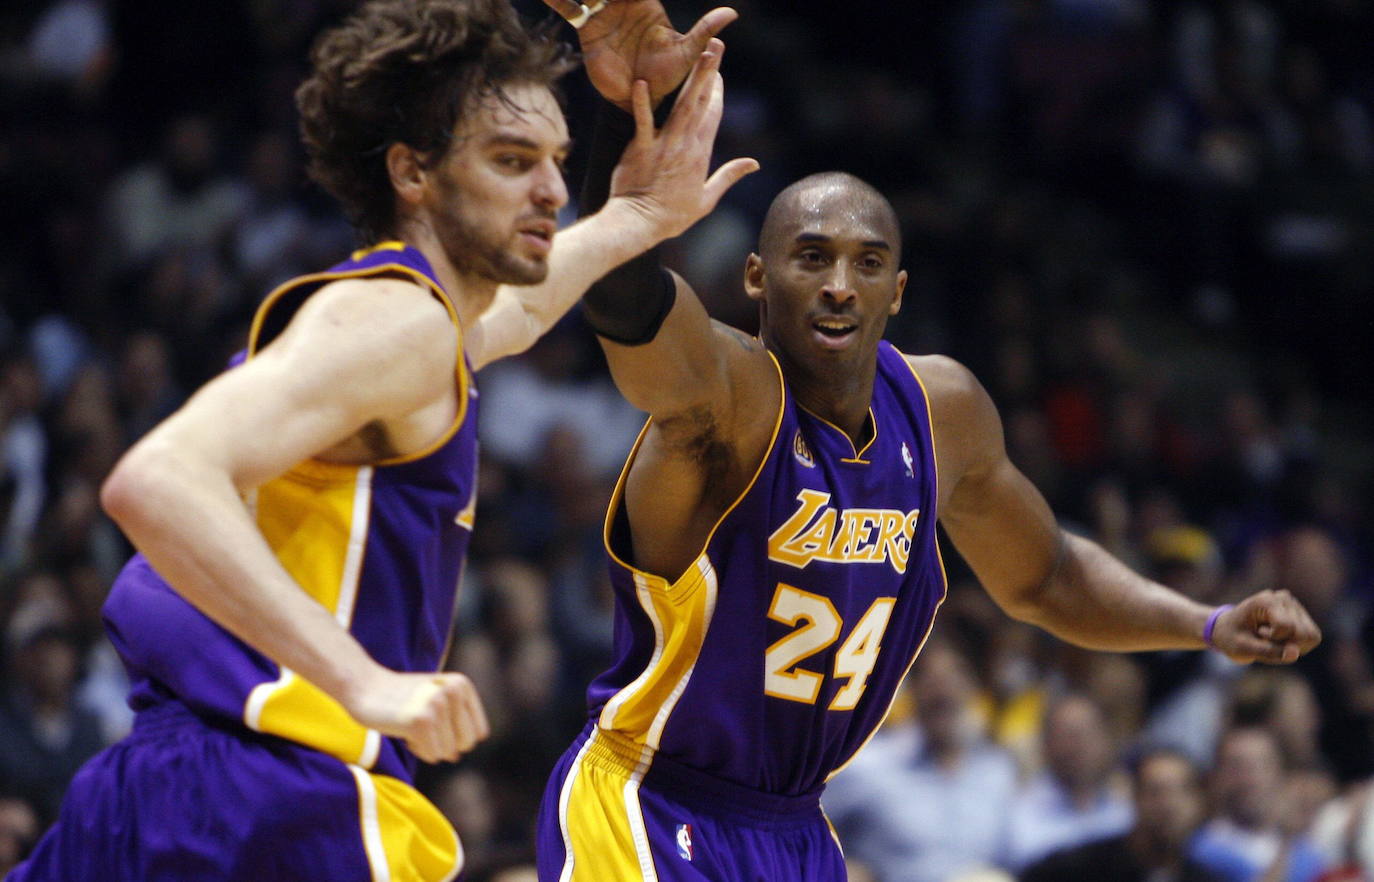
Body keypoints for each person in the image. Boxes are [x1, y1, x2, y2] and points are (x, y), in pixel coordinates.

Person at [535, 2, 1323, 880]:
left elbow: (1049, 577)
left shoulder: (942, 410)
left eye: (866, 263)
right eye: (811, 257)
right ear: (756, 276)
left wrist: (1208, 623)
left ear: (898, 291)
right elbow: (621, 300)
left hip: (795, 828)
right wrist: (623, 114)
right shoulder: (729, 397)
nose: (839, 285)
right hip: (652, 802)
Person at [10, 0, 753, 879]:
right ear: (413, 172)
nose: (552, 189)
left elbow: (514, 313)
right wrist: (362, 681)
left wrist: (639, 218)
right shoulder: (399, 324)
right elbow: (158, 480)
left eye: (555, 161)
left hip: (166, 784)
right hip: (276, 797)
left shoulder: (408, 323)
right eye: (513, 162)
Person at [1019, 748, 1225, 882]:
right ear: (1134, 799)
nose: (1169, 805)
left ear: (1200, 804)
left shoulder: (1206, 878)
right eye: (1156, 791)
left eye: (1183, 791)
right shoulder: (1080, 868)